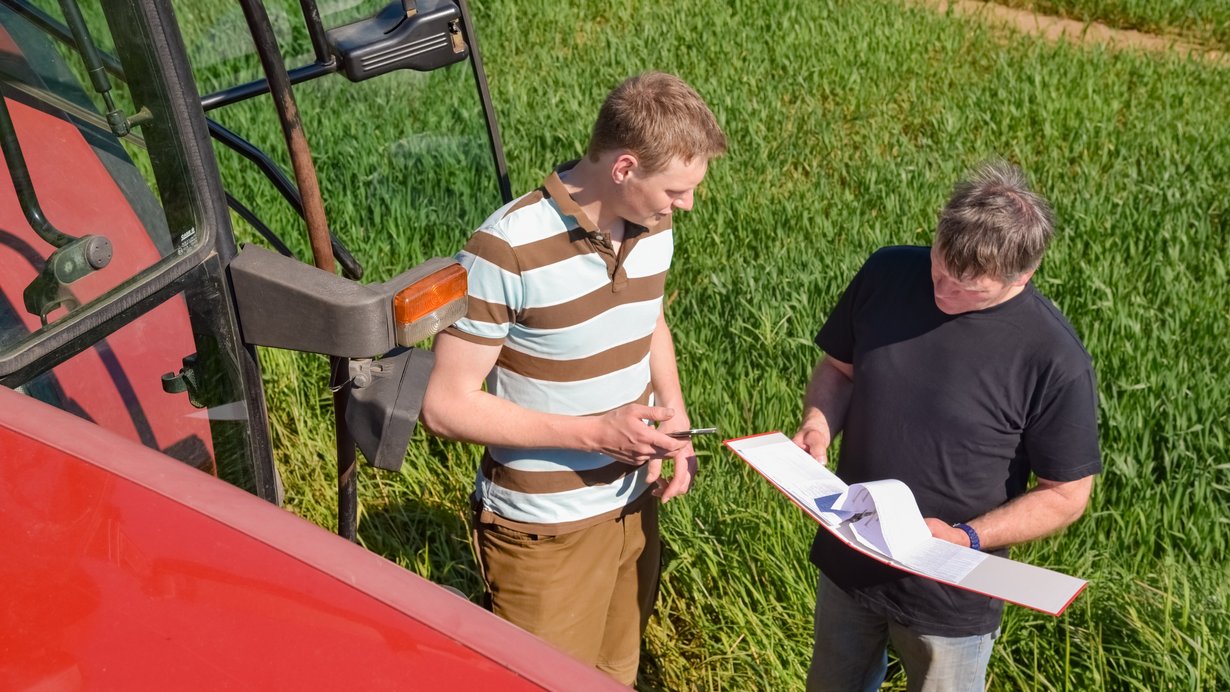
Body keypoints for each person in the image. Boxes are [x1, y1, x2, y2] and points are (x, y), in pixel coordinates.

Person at [420, 71, 726, 686]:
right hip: (545, 530)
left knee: (616, 673)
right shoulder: (504, 249)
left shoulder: (653, 225)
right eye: (677, 189)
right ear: (623, 168)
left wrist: (676, 413)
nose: (687, 205)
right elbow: (445, 406)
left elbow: (649, 320)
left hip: (633, 504)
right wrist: (595, 434)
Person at [793, 160, 1101, 692]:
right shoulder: (887, 272)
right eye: (938, 268)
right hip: (850, 556)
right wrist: (818, 427)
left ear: (1022, 277)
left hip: (950, 594)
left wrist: (967, 537)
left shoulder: (1053, 357)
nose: (942, 290)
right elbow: (837, 372)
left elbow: (1067, 495)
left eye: (967, 288)